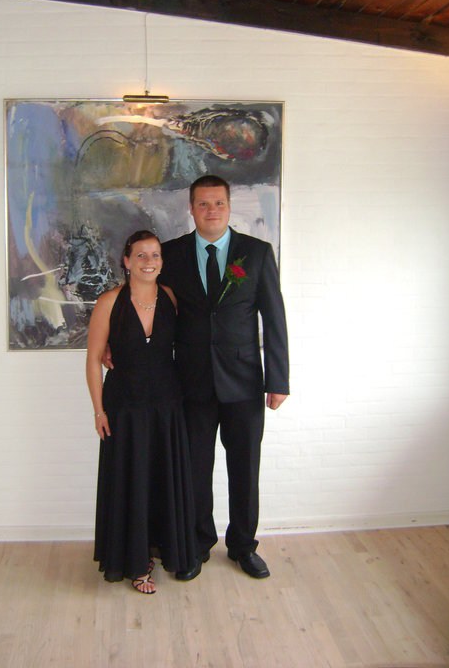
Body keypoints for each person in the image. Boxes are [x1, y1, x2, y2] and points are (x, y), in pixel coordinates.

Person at [159, 175, 290, 580]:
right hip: (191, 383)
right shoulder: (171, 254)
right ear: (191, 208)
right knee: (195, 470)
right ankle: (198, 544)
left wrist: (278, 380)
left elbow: (274, 318)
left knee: (245, 470)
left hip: (245, 384)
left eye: (218, 203)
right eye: (203, 203)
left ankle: (243, 546)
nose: (211, 210)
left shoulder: (257, 253)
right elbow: (153, 310)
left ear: (229, 207)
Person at [86, 230, 196, 594]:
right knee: (131, 480)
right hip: (124, 407)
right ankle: (136, 562)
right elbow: (93, 359)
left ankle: (164, 550)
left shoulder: (170, 298)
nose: (149, 262)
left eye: (155, 255)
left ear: (162, 261)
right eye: (141, 255)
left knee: (161, 479)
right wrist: (99, 411)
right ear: (127, 260)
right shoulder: (109, 301)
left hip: (167, 406)